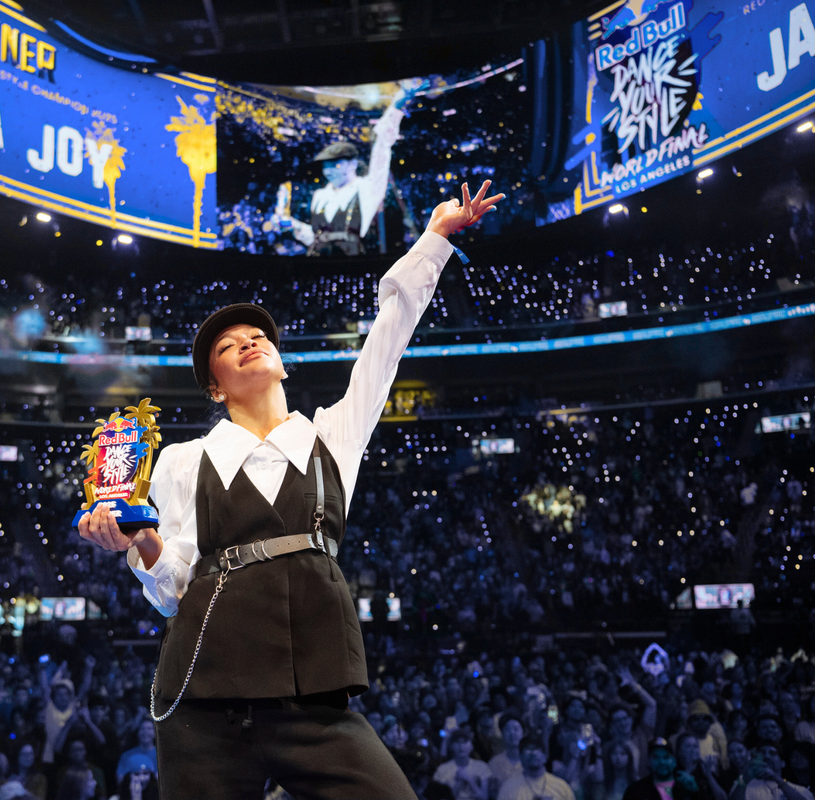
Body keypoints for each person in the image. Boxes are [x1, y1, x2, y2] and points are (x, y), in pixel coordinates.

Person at [78, 179, 505, 798]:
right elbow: (173, 593)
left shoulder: (332, 435)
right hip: (204, 701)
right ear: (215, 387)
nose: (249, 342)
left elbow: (388, 339)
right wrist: (138, 542)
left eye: (258, 338)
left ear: (281, 361)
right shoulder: (182, 460)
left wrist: (434, 238)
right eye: (229, 346)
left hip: (313, 697)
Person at [275, 80, 424, 255]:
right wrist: (292, 225)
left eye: (336, 165)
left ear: (352, 164)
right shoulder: (320, 196)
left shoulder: (367, 189)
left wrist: (399, 101)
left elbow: (382, 146)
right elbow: (315, 238)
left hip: (354, 262)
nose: (329, 171)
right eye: (326, 167)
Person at [497, 737, 576, 800]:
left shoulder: (561, 787)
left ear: (545, 757)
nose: (533, 753)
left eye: (536, 749)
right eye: (528, 749)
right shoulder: (508, 788)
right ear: (521, 757)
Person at [621, 739, 701, 800]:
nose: (662, 762)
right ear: (648, 761)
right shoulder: (636, 790)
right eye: (656, 757)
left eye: (666, 757)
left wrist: (695, 792)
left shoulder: (687, 786)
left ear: (674, 761)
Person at [730, 745, 814, 800]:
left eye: (772, 753)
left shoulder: (799, 790)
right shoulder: (743, 786)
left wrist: (778, 779)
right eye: (762, 753)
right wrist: (746, 776)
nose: (767, 756)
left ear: (783, 763)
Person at [433, 729, 492, 800]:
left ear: (471, 746)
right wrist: (459, 783)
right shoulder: (442, 769)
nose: (461, 746)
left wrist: (470, 781)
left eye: (465, 742)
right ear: (451, 746)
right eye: (457, 742)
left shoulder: (482, 767)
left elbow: (484, 797)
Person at [490, 714, 527, 787]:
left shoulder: (530, 760)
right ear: (502, 734)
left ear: (523, 733)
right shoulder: (494, 763)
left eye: (516, 729)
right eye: (507, 729)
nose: (512, 733)